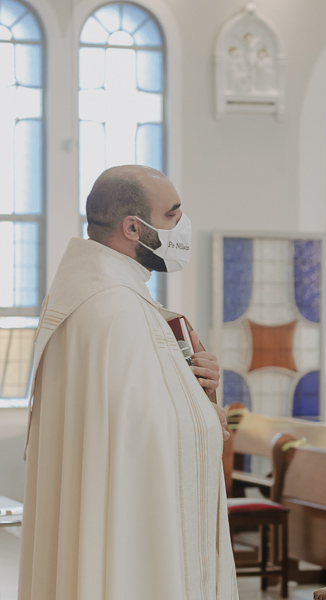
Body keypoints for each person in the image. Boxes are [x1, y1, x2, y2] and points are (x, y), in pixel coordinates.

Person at [18, 166, 238, 600]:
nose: (182, 226)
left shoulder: (86, 295)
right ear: (134, 228)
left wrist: (197, 387)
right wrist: (207, 411)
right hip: (137, 533)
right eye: (173, 215)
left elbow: (129, 418)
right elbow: (154, 435)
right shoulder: (119, 309)